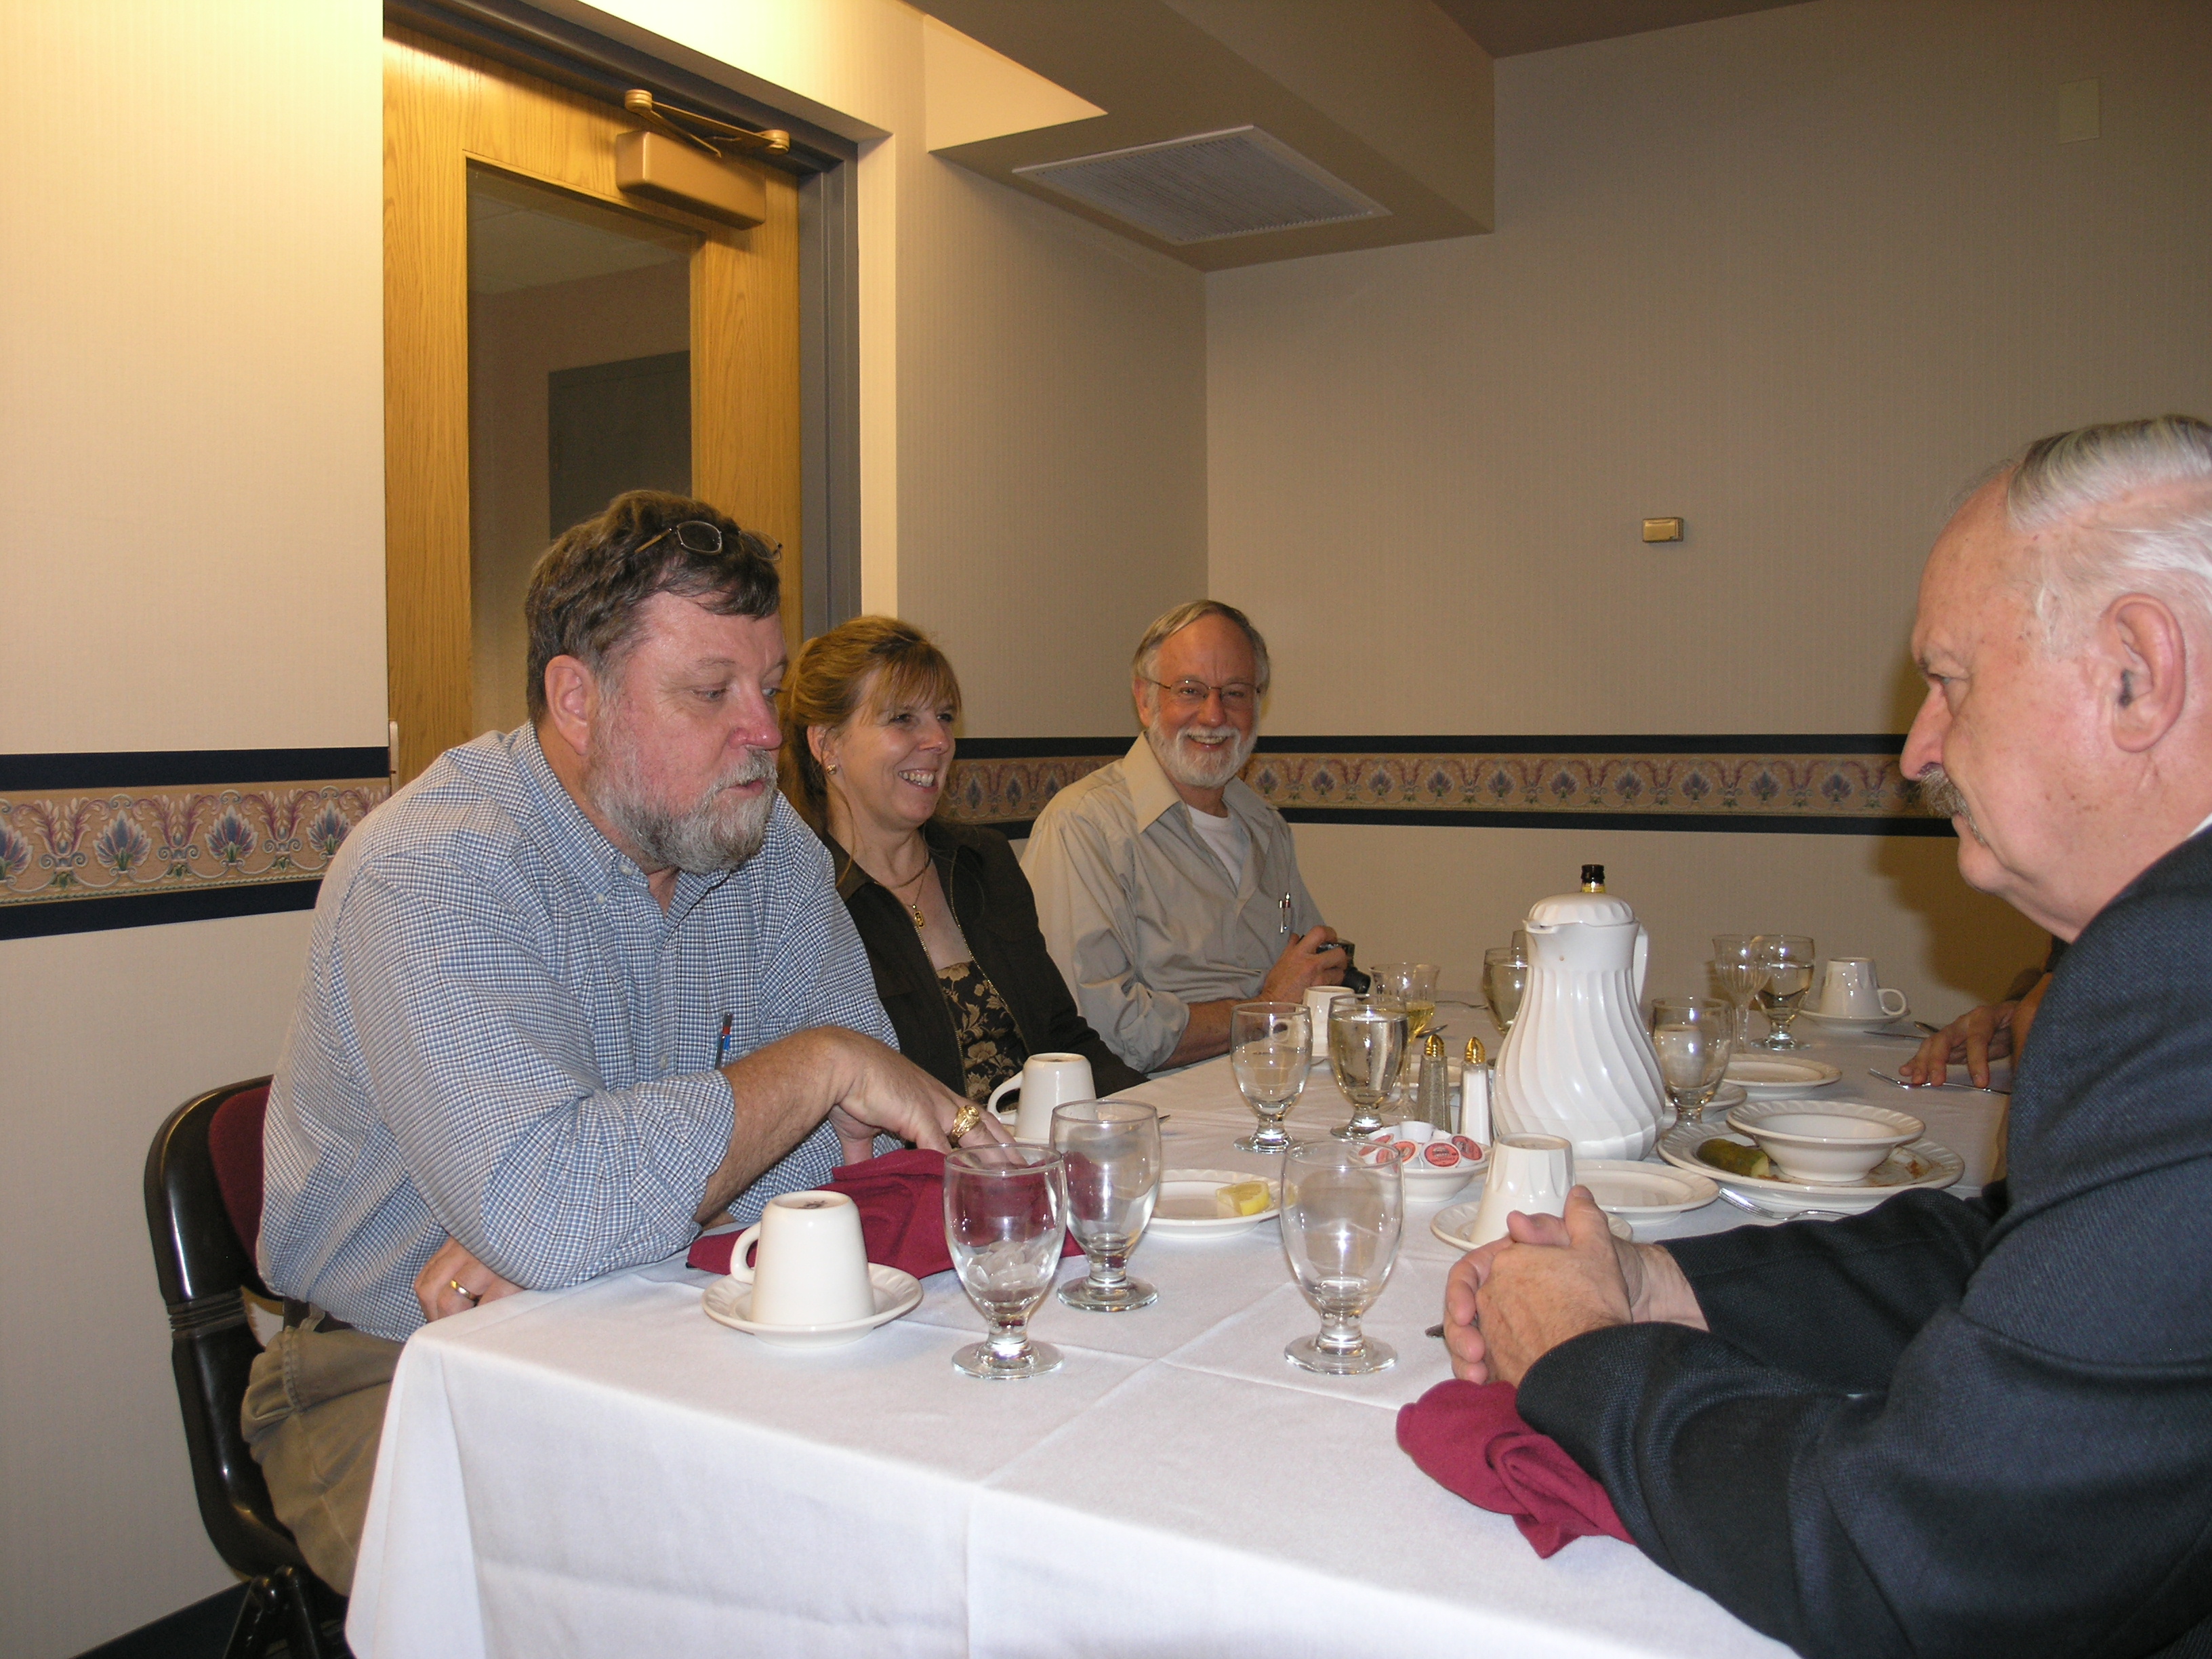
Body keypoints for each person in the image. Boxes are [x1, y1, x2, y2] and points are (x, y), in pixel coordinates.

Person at [1441, 417, 2212, 1657]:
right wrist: (1661, 1283)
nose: (1916, 749)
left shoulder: (2183, 981)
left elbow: (1928, 1555)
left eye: (1949, 680)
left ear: (2135, 671)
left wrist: (1585, 1351)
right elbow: (2015, 1260)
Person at [249, 492, 998, 1593]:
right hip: (400, 1364)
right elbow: (575, 1202)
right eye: (711, 691)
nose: (763, 731)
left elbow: (853, 1158)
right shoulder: (437, 868)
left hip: (675, 1314)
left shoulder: (770, 850)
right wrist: (815, 1064)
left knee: (906, 1530)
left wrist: (594, 1225)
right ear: (578, 699)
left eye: (769, 686)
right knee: (606, 1607)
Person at [777, 616, 1145, 1103]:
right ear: (826, 743)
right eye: (903, 718)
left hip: (1038, 1143)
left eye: (945, 717)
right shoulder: (799, 899)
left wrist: (1146, 1118)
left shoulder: (982, 862)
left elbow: (1063, 1038)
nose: (940, 740)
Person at [1019, 600, 1346, 1072]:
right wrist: (1267, 1008)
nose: (1214, 716)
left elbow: (1310, 973)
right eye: (1190, 691)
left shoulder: (1266, 826)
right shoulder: (1085, 826)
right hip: (1153, 1107)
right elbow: (1099, 1030)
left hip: (1277, 1088)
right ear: (1144, 699)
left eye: (1235, 693)